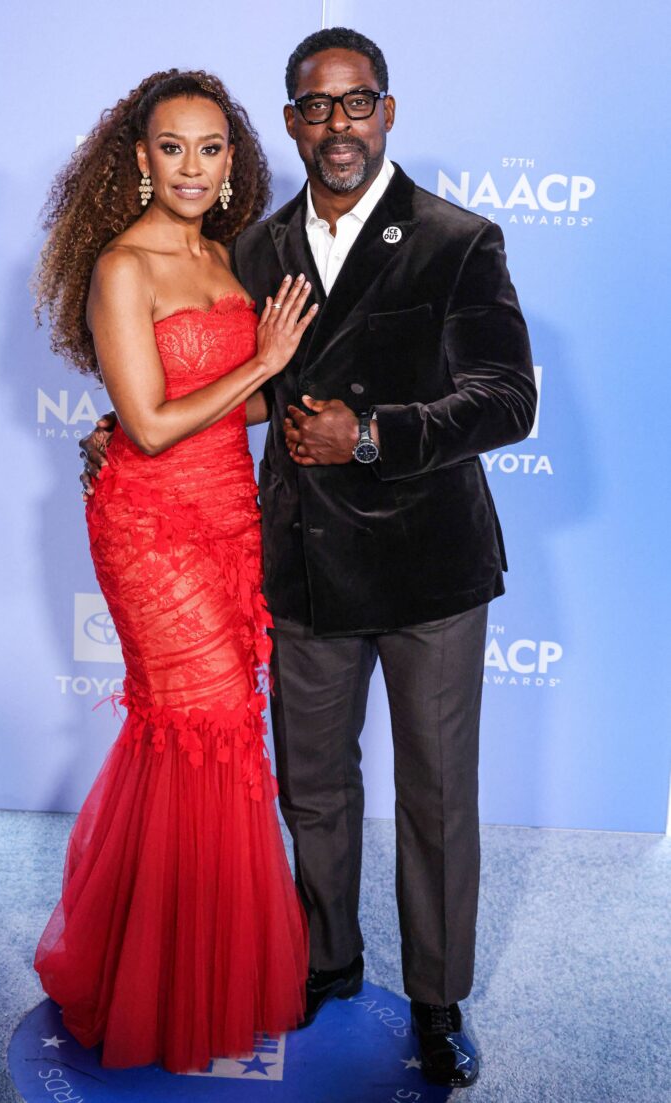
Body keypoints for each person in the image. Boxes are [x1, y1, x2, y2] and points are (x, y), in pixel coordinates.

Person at [82, 28, 536, 1089]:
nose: (338, 125)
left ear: (386, 110)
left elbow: (505, 399)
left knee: (434, 798)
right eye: (315, 107)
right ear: (288, 122)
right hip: (299, 566)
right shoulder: (252, 247)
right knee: (315, 790)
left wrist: (369, 435)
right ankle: (327, 960)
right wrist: (119, 429)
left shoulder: (455, 238)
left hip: (428, 570)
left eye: (356, 102)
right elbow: (217, 389)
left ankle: (436, 1000)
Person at [33, 70, 316, 1074]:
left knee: (222, 725)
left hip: (227, 517)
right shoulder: (124, 264)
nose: (191, 167)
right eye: (171, 147)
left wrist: (272, 379)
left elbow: (224, 409)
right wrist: (264, 359)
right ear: (139, 158)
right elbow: (149, 426)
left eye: (209, 148)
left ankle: (195, 960)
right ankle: (152, 979)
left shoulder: (222, 256)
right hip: (150, 527)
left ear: (230, 159)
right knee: (191, 723)